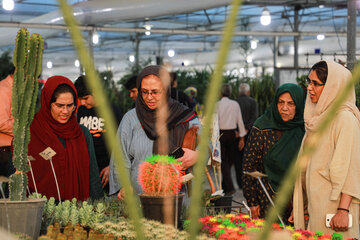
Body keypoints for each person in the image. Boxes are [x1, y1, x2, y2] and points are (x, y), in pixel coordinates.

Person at [109, 65, 200, 199]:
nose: (149, 97)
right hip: (139, 199)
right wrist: (123, 185)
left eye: (155, 92)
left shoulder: (184, 115)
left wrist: (197, 155)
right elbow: (120, 158)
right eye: (144, 92)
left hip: (177, 200)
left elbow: (210, 145)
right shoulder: (130, 119)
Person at [293, 61, 360, 238]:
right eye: (309, 82)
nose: (309, 88)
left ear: (333, 87)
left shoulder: (345, 118)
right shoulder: (317, 119)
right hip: (318, 207)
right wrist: (304, 206)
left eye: (316, 84)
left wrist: (343, 210)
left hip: (336, 210)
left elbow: (351, 169)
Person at [26, 75, 103, 201]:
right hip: (39, 212)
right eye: (59, 105)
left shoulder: (82, 133)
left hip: (76, 214)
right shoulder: (31, 133)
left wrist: (100, 206)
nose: (66, 111)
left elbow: (93, 175)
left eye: (70, 105)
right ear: (48, 103)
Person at [242, 83, 305, 220]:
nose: (284, 108)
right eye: (280, 102)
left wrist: (303, 205)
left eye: (291, 103)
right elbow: (248, 167)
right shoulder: (262, 127)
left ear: (299, 105)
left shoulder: (305, 129)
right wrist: (252, 202)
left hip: (298, 199)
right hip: (267, 199)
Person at [74, 75, 122, 194]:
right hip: (88, 170)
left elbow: (121, 142)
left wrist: (112, 166)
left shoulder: (112, 110)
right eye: (80, 99)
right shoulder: (81, 111)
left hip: (108, 170)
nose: (83, 102)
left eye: (86, 98)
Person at [217, 84, 246, 195]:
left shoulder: (217, 105)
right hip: (232, 135)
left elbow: (214, 122)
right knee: (229, 161)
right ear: (230, 92)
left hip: (221, 134)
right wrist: (242, 138)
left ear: (220, 93)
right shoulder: (235, 104)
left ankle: (226, 185)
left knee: (224, 161)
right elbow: (240, 121)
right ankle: (229, 186)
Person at [235, 83, 258, 188]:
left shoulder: (235, 102)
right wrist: (246, 129)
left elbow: (233, 118)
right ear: (248, 92)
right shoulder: (253, 102)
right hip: (249, 134)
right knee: (249, 158)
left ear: (239, 92)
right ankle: (248, 182)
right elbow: (254, 118)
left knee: (238, 160)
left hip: (236, 134)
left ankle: (240, 183)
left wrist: (239, 131)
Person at [0, 66, 15, 178]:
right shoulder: (4, 89)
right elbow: (2, 122)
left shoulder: (15, 89)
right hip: (4, 149)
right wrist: (24, 132)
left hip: (11, 147)